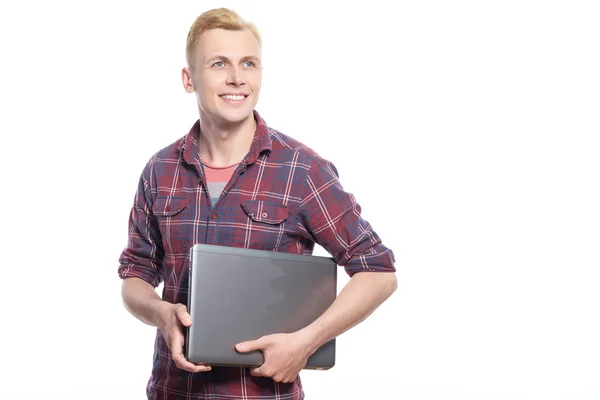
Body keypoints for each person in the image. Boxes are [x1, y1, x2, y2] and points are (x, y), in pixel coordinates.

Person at [118, 7, 397, 400]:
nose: (237, 77)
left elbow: (378, 273)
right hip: (171, 392)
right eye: (219, 64)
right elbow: (135, 275)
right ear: (188, 79)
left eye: (249, 63)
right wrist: (160, 313)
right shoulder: (159, 170)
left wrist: (306, 341)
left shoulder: (302, 170)